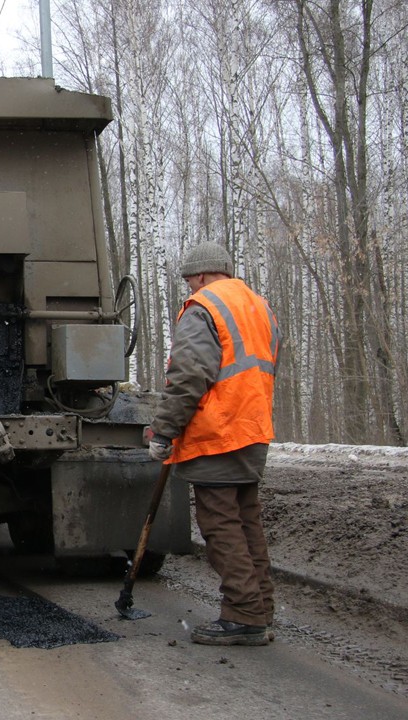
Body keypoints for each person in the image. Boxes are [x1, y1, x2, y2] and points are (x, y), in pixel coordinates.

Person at [148, 242, 280, 647]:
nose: (189, 287)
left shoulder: (203, 306)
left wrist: (165, 430)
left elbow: (189, 374)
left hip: (217, 433)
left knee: (221, 525)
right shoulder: (258, 306)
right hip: (253, 428)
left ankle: (243, 615)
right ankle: (261, 608)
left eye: (189, 279)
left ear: (202, 275)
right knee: (247, 522)